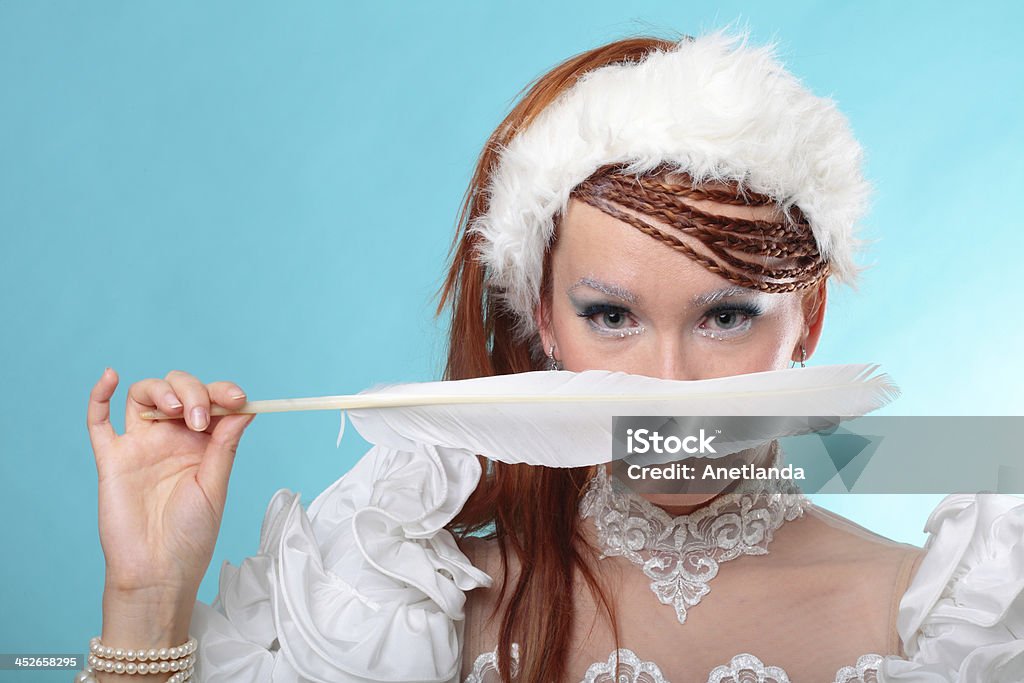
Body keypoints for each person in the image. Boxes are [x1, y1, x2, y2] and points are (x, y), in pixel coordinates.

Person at [83, 30, 1024, 683]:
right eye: (611, 315)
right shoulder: (400, 616)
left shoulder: (955, 623)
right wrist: (149, 593)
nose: (667, 387)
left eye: (727, 316)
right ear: (542, 318)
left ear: (807, 321)